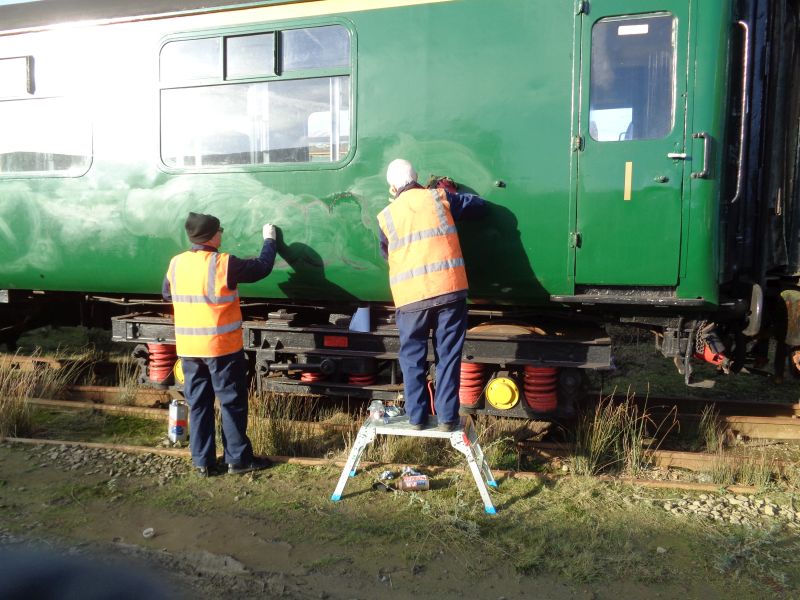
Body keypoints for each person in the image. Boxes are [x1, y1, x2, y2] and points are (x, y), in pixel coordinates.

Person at [163, 212, 277, 476]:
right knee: (231, 402)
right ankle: (237, 459)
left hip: (189, 349)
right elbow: (261, 268)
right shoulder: (223, 264)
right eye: (220, 231)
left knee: (199, 404)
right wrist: (270, 240)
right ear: (214, 236)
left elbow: (167, 292)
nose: (222, 235)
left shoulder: (177, 263)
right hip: (221, 348)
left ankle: (203, 462)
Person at [377, 159, 487, 432]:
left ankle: (416, 418)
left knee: (412, 359)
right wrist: (448, 189)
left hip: (411, 299)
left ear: (392, 187)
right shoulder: (440, 197)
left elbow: (385, 253)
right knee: (448, 356)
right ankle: (448, 419)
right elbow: (478, 205)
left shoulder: (386, 216)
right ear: (416, 178)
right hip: (448, 291)